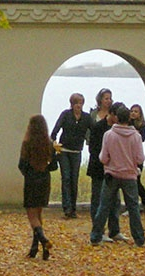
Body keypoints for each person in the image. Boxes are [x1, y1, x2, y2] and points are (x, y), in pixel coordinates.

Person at [91, 103, 145, 247]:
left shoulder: (108, 135)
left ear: (116, 118)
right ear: (129, 119)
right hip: (129, 176)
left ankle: (96, 235)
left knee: (104, 206)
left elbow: (103, 157)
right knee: (133, 208)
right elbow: (140, 158)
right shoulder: (136, 136)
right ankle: (139, 238)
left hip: (112, 175)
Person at [19, 114, 59, 259]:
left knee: (32, 215)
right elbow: (54, 165)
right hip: (44, 179)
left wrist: (29, 173)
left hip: (31, 179)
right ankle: (37, 248)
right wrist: (45, 169)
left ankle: (43, 239)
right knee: (39, 214)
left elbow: (21, 165)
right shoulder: (48, 144)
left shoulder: (27, 143)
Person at [86, 88, 121, 237]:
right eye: (106, 98)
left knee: (115, 200)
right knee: (98, 198)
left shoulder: (117, 128)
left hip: (114, 167)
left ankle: (114, 229)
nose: (108, 100)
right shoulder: (97, 126)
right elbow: (93, 147)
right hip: (99, 166)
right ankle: (98, 230)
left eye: (110, 98)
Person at [50, 93, 92, 218]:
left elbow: (94, 130)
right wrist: (54, 143)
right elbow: (55, 131)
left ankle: (73, 208)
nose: (78, 105)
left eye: (80, 103)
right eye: (76, 103)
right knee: (66, 178)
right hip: (64, 150)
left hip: (76, 151)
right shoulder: (66, 115)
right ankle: (67, 207)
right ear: (72, 104)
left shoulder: (86, 117)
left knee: (74, 179)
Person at [127, 103, 145, 207]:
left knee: (136, 180)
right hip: (128, 154)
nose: (133, 113)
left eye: (136, 111)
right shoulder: (127, 123)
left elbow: (143, 138)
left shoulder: (141, 126)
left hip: (136, 156)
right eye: (132, 111)